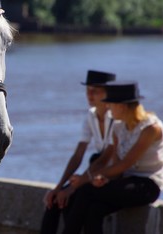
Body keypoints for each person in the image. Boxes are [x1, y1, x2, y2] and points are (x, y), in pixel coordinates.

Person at [62, 81, 163, 234]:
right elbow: (117, 166)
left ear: (121, 106)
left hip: (148, 185)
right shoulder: (118, 128)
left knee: (85, 191)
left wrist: (86, 179)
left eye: (110, 104)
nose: (107, 107)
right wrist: (105, 180)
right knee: (94, 209)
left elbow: (126, 163)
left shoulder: (150, 128)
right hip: (125, 182)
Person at [40, 70, 116, 234]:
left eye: (95, 90)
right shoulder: (91, 115)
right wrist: (59, 187)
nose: (89, 95)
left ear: (108, 92)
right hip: (95, 171)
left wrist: (74, 187)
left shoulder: (116, 118)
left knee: (73, 198)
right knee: (54, 200)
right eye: (87, 90)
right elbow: (78, 155)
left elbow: (106, 158)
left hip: (111, 173)